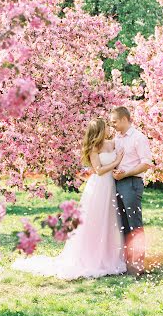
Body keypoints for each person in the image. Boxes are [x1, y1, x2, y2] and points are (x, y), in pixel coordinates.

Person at [11, 118, 126, 279]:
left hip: (112, 185)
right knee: (95, 220)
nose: (109, 128)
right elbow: (99, 170)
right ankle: (92, 256)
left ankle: (109, 255)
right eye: (106, 126)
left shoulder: (111, 143)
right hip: (100, 186)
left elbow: (124, 141)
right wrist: (116, 162)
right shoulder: (94, 148)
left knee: (109, 220)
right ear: (100, 130)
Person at [110, 107, 153, 276]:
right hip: (118, 183)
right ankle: (127, 262)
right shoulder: (117, 138)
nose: (112, 125)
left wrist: (126, 173)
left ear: (124, 119)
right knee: (123, 225)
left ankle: (138, 263)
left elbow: (146, 163)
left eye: (114, 121)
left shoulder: (138, 138)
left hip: (132, 183)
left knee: (134, 223)